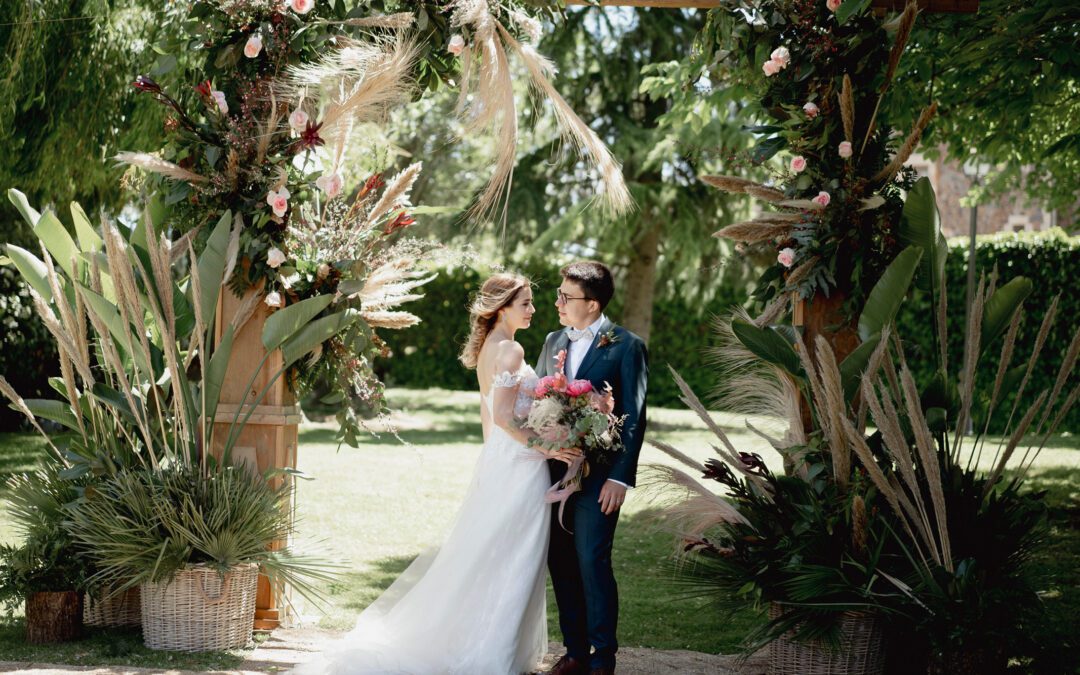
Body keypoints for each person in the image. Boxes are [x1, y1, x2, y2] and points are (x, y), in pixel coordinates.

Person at [294, 272, 578, 675]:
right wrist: (549, 447)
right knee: (514, 556)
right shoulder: (510, 349)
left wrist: (492, 462)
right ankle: (491, 654)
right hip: (519, 465)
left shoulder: (489, 348)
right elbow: (502, 418)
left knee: (494, 554)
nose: (533, 310)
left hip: (503, 462)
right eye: (525, 303)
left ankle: (494, 647)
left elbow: (488, 417)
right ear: (501, 307)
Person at [535, 261, 648, 675]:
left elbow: (634, 416)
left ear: (593, 304)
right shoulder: (550, 341)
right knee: (559, 560)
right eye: (559, 294)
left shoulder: (625, 345)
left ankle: (603, 656)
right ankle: (575, 651)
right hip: (553, 473)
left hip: (601, 475)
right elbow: (541, 400)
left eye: (567, 297)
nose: (558, 302)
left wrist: (620, 476)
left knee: (591, 559)